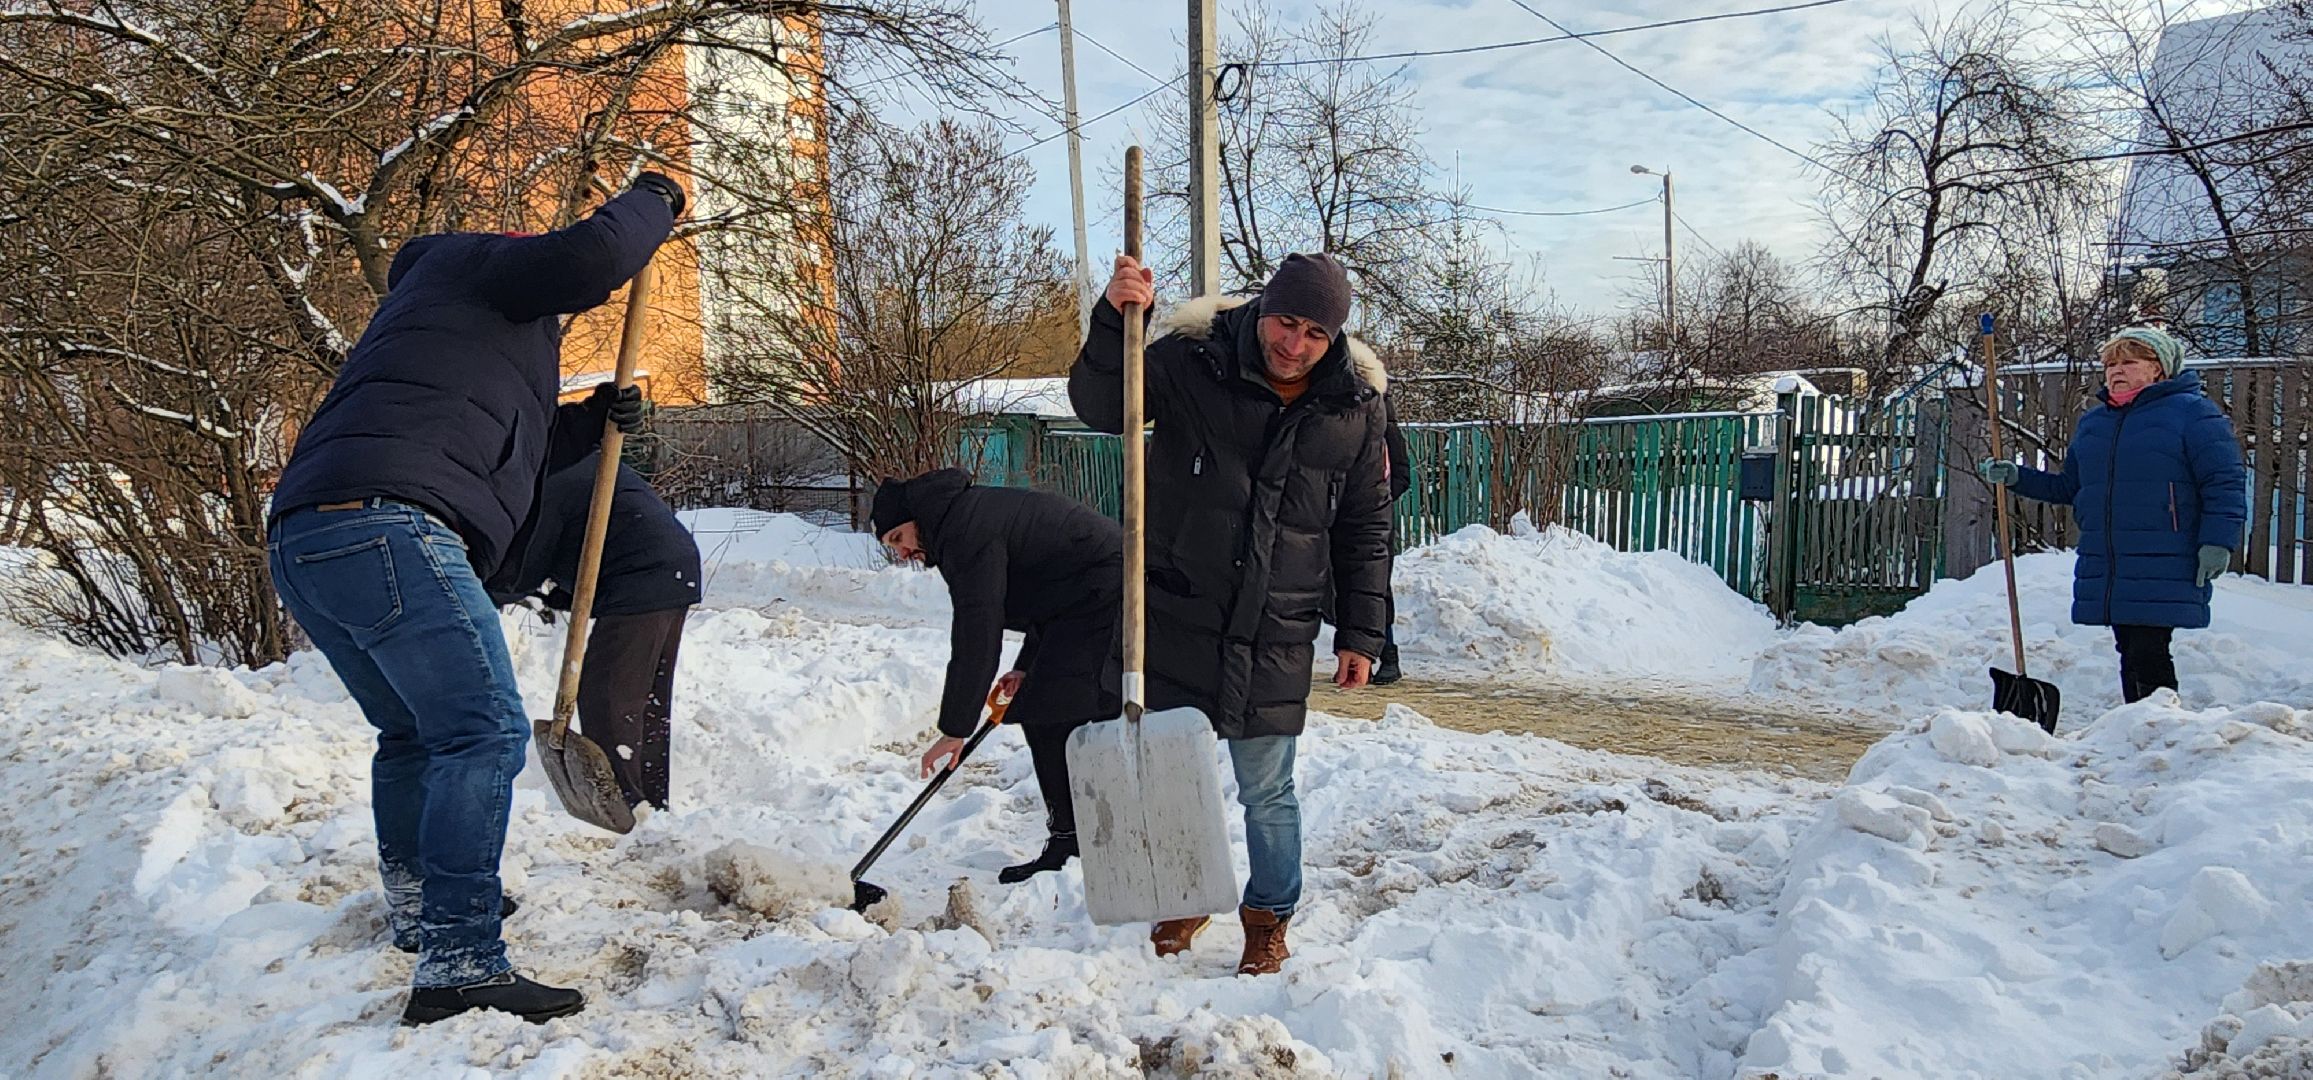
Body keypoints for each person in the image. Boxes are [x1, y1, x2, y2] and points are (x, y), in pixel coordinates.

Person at [266, 174, 681, 1025]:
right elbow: (594, 253)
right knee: (482, 732)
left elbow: (500, 463)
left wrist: (589, 420)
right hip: (390, 523)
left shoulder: (436, 335)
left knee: (414, 734)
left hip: (310, 538)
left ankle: (423, 913)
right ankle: (460, 959)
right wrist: (654, 198)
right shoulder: (474, 268)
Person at [1070, 250, 1393, 976]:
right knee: (1173, 768)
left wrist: (1363, 632)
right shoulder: (1193, 362)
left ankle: (1268, 916)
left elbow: (1366, 526)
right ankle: (1187, 892)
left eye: (1314, 332)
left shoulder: (1354, 406)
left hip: (1275, 627)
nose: (1293, 344)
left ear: (1334, 336)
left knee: (1267, 789)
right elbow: (1100, 408)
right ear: (1263, 307)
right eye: (1286, 321)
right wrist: (1113, 323)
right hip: (1177, 610)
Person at [875, 468, 1124, 884]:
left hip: (1109, 593)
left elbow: (978, 630)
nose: (901, 553)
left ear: (916, 518)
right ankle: (1079, 841)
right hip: (1086, 597)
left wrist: (955, 728)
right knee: (1046, 708)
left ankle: (1078, 847)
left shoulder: (965, 531)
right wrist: (1029, 665)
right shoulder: (964, 517)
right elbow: (1052, 590)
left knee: (1054, 713)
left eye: (898, 538)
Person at [1978, 325, 2246, 704]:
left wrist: (2218, 541)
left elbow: (2224, 482)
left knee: (2148, 648)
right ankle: (2139, 723)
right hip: (2111, 556)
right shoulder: (2095, 423)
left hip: (2164, 553)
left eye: (2129, 362)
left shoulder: (2194, 415)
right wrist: (2017, 477)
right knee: (2129, 649)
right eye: (2110, 364)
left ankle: (2161, 728)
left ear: (2159, 369)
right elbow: (2070, 487)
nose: (2116, 371)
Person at [490, 451, 701, 813]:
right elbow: (584, 537)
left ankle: (626, 802)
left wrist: (485, 587)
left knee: (607, 695)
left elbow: (528, 558)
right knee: (646, 695)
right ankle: (650, 801)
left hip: (642, 574)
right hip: (672, 566)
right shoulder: (578, 459)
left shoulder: (551, 474)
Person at [1374, 394, 1413, 686]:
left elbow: (1401, 475)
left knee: (1375, 587)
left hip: (1374, 521)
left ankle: (1388, 656)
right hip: (1332, 517)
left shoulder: (1387, 429)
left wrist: (1376, 503)